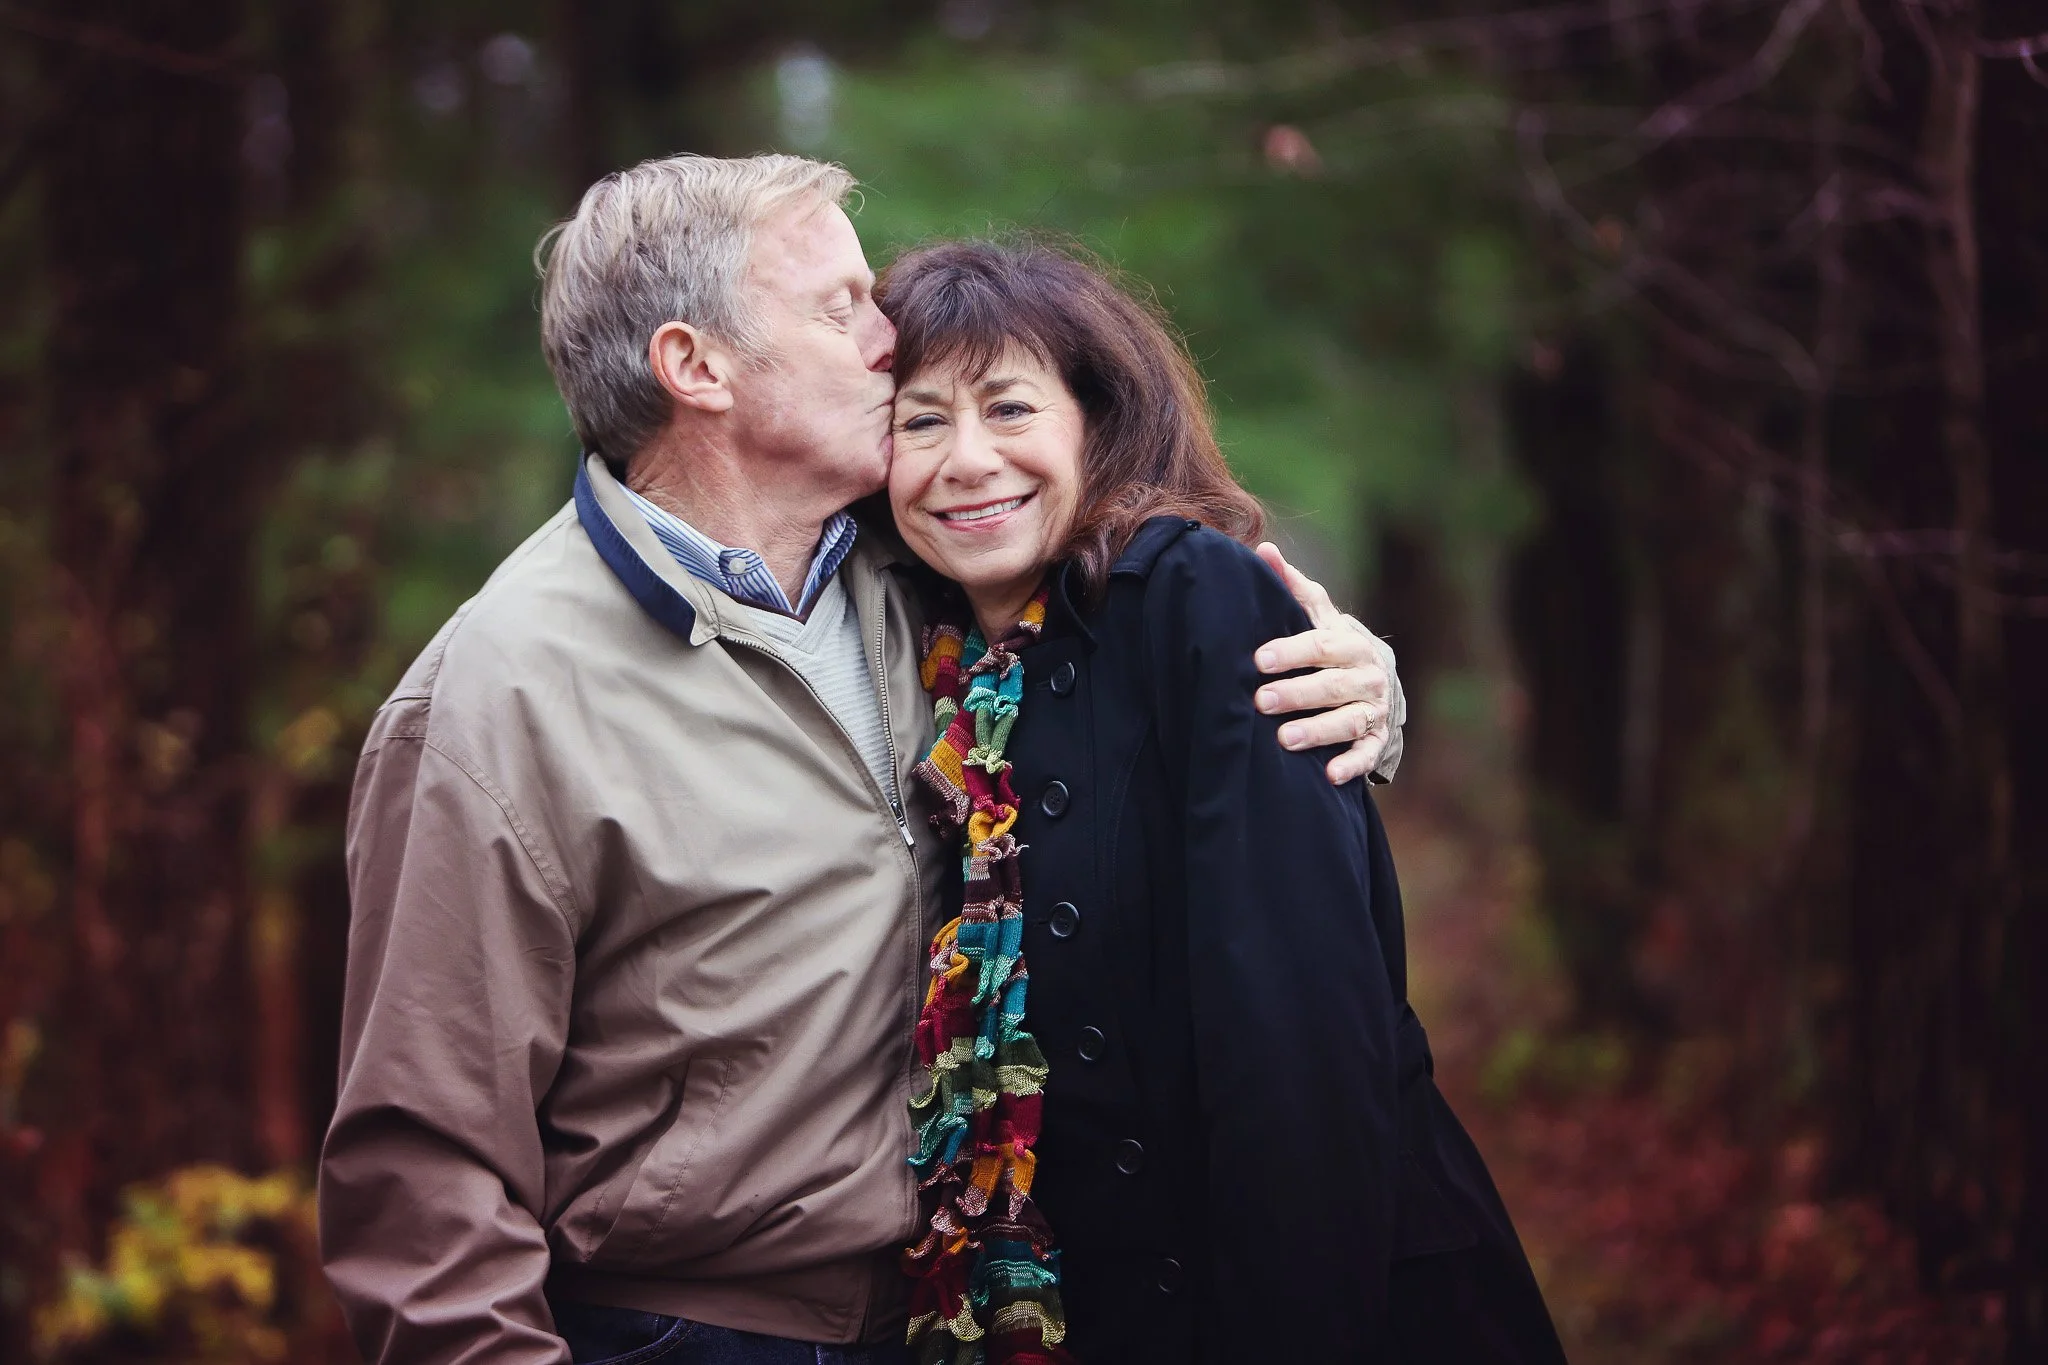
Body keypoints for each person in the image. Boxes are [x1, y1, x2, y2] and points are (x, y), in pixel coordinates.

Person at [318, 154, 1405, 1365]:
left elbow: (1156, 717)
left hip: (978, 1311)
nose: (887, 334)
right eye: (837, 306)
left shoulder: (925, 580)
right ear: (696, 367)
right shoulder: (499, 694)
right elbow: (424, 1176)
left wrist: (1352, 682)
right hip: (690, 1335)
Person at [876, 239, 1566, 1365]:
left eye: (1008, 409)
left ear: (1095, 422)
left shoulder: (1186, 595)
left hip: (1305, 1297)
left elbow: (1301, 1043)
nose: (964, 461)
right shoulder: (935, 666)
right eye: (918, 422)